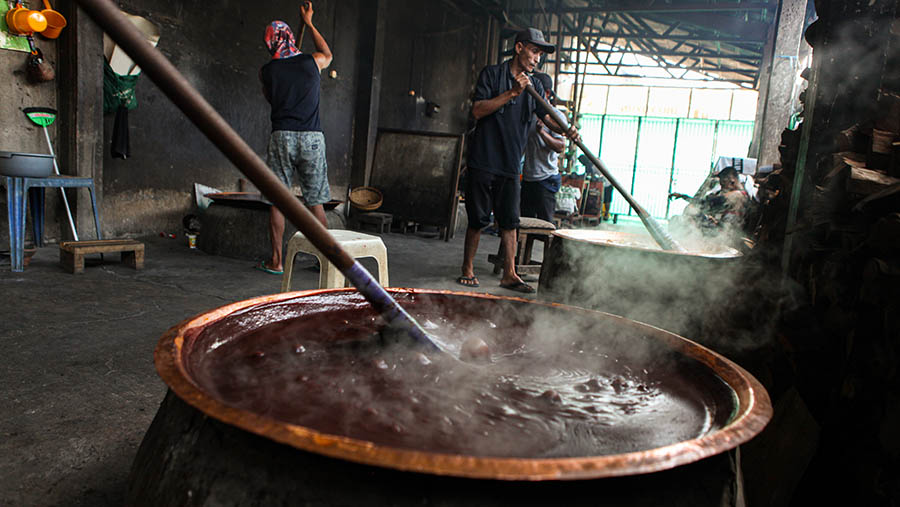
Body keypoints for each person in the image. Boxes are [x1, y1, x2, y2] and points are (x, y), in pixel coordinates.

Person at [458, 28, 578, 293]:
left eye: (540, 55)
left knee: (510, 220)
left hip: (512, 164)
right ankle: (467, 269)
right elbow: (478, 110)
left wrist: (565, 129)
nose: (537, 59)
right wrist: (512, 93)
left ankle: (509, 274)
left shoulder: (533, 86)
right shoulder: (492, 75)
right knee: (478, 218)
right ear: (519, 47)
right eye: (534, 51)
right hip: (484, 159)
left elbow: (546, 119)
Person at [256, 2, 333, 275]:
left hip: (282, 136)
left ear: (269, 42)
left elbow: (270, 99)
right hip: (312, 137)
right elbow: (328, 54)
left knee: (278, 200)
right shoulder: (312, 62)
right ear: (290, 36)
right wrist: (310, 23)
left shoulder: (267, 71)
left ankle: (276, 261)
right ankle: (326, 261)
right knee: (315, 201)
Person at [521, 73, 565, 223]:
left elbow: (560, 146)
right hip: (528, 178)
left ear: (545, 93)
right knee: (523, 225)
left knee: (545, 228)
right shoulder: (530, 113)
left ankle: (548, 247)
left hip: (546, 179)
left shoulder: (556, 116)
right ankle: (521, 248)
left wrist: (542, 133)